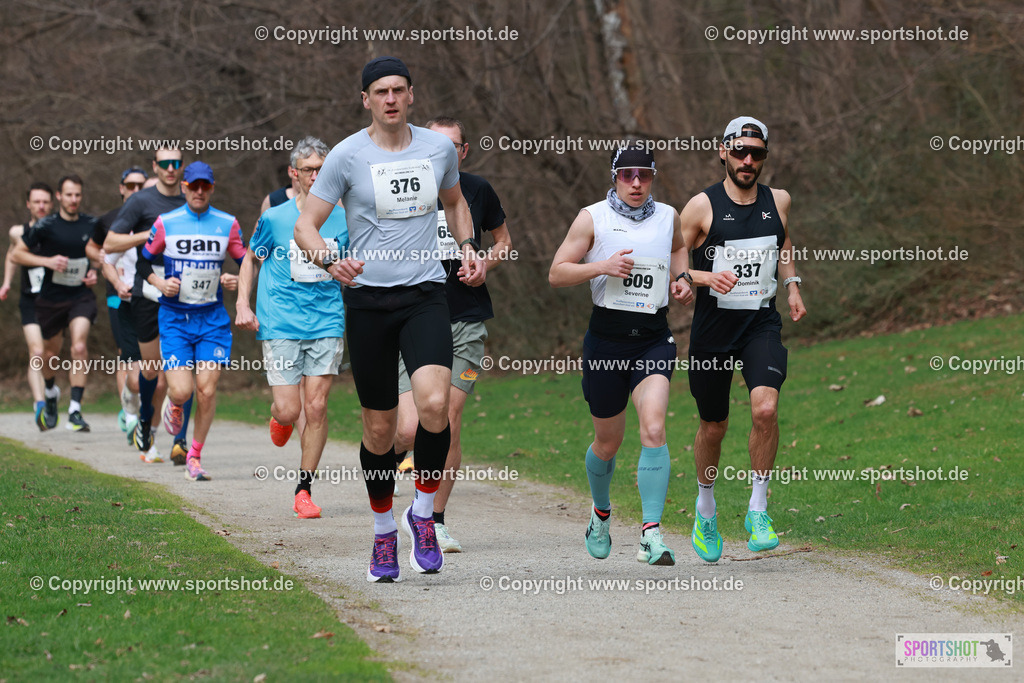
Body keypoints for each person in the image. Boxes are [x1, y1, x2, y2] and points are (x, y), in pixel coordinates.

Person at [294, 56, 485, 583]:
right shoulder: (346, 156)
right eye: (381, 91)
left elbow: (456, 203)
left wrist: (467, 245)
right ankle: (383, 531)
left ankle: (422, 514)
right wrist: (330, 261)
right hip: (368, 303)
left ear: (412, 95)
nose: (391, 99)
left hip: (425, 295)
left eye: (399, 89)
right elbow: (305, 227)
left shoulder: (437, 149)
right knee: (379, 431)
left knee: (434, 406)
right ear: (366, 100)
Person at [549, 143, 694, 566]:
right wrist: (601, 266)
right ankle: (600, 513)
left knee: (654, 428)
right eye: (627, 174)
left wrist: (683, 277)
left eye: (644, 175)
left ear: (652, 178)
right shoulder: (592, 217)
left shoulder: (668, 216)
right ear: (614, 177)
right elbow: (557, 272)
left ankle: (651, 533)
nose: (636, 183)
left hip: (653, 339)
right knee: (608, 442)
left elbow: (679, 249)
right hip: (606, 344)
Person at [678, 116, 807, 562]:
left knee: (765, 408)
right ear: (723, 151)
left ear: (765, 156)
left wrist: (792, 285)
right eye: (739, 152)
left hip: (760, 324)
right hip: (713, 332)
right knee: (713, 426)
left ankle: (758, 510)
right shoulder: (701, 207)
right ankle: (705, 510)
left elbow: (783, 244)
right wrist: (702, 278)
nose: (747, 160)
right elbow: (671, 262)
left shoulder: (779, 200)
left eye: (756, 153)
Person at [393, 116, 513, 552]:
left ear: (463, 152)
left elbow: (503, 240)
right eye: (434, 144)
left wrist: (485, 263)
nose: (442, 153)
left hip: (465, 318)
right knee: (409, 428)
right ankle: (393, 455)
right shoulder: (401, 187)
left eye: (452, 146)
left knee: (449, 419)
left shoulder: (478, 190)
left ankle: (432, 519)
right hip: (412, 317)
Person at [236, 136, 348, 518]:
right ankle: (279, 417)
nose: (315, 176)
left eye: (322, 169)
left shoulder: (344, 217)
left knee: (316, 407)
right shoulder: (275, 217)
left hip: (326, 320)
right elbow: (251, 259)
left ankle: (304, 489)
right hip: (281, 320)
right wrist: (242, 304)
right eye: (308, 170)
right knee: (289, 409)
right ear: (293, 173)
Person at [139, 161, 246, 482]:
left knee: (207, 391)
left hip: (212, 320)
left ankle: (194, 457)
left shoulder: (227, 223)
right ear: (184, 187)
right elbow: (143, 263)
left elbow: (247, 263)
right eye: (194, 186)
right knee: (182, 391)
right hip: (175, 319)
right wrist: (159, 284)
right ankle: (174, 402)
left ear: (212, 188)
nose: (199, 191)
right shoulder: (166, 222)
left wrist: (238, 280)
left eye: (205, 186)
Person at [104, 146, 188, 463]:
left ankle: (175, 440)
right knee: (150, 372)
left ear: (182, 166)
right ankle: (142, 421)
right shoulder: (140, 202)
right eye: (165, 163)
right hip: (146, 294)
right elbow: (110, 245)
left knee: (179, 370)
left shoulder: (191, 199)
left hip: (184, 295)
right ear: (156, 166)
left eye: (176, 163)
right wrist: (149, 236)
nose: (171, 168)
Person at [12, 175, 100, 432]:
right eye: (69, 195)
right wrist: (48, 262)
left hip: (80, 296)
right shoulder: (46, 226)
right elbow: (17, 254)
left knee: (79, 346)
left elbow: (99, 254)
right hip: (51, 299)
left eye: (78, 195)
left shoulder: (91, 224)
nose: (74, 200)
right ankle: (50, 392)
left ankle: (75, 410)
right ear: (59, 196)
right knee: (49, 355)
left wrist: (95, 270)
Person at [90, 167, 148, 434]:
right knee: (125, 351)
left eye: (140, 186)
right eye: (130, 185)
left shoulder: (153, 218)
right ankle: (129, 411)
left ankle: (136, 402)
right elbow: (92, 247)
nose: (135, 190)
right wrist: (103, 259)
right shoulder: (108, 220)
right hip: (117, 294)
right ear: (121, 188)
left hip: (147, 294)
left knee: (146, 357)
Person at [1, 182, 54, 426]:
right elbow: (12, 255)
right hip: (30, 300)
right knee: (36, 351)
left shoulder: (59, 230)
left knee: (50, 355)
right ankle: (40, 404)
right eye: (36, 202)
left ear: (51, 204)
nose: (41, 206)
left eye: (45, 202)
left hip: (55, 301)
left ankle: (50, 390)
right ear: (28, 204)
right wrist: (6, 283)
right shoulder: (17, 232)